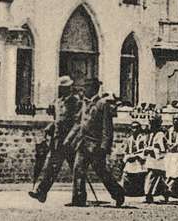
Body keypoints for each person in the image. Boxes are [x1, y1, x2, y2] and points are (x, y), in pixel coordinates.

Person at [66, 80, 125, 208]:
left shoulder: (103, 104)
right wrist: (69, 139)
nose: (83, 90)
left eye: (86, 87)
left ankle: (118, 193)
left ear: (94, 88)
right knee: (78, 169)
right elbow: (78, 123)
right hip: (82, 144)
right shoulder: (84, 103)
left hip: (96, 146)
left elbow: (107, 128)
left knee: (101, 172)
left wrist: (104, 147)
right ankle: (78, 199)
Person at [29, 75, 81, 203]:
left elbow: (77, 121)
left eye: (65, 87)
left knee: (78, 169)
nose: (62, 90)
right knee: (52, 166)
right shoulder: (58, 102)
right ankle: (41, 192)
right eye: (61, 88)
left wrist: (71, 138)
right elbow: (58, 120)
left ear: (70, 88)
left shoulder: (76, 102)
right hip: (57, 141)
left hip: (70, 141)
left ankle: (79, 197)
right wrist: (50, 127)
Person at [143, 114, 169, 203]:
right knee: (157, 178)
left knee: (152, 176)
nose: (150, 125)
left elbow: (162, 149)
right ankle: (165, 192)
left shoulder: (160, 135)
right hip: (151, 159)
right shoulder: (151, 135)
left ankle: (148, 195)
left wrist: (152, 150)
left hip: (158, 159)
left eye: (152, 123)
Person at [121, 121, 147, 197]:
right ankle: (128, 190)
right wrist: (128, 157)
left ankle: (140, 191)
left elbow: (144, 150)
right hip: (131, 158)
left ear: (139, 129)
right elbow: (125, 151)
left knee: (140, 172)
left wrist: (138, 156)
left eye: (136, 128)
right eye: (133, 128)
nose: (134, 130)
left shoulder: (143, 138)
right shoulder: (129, 139)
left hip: (139, 158)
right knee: (126, 172)